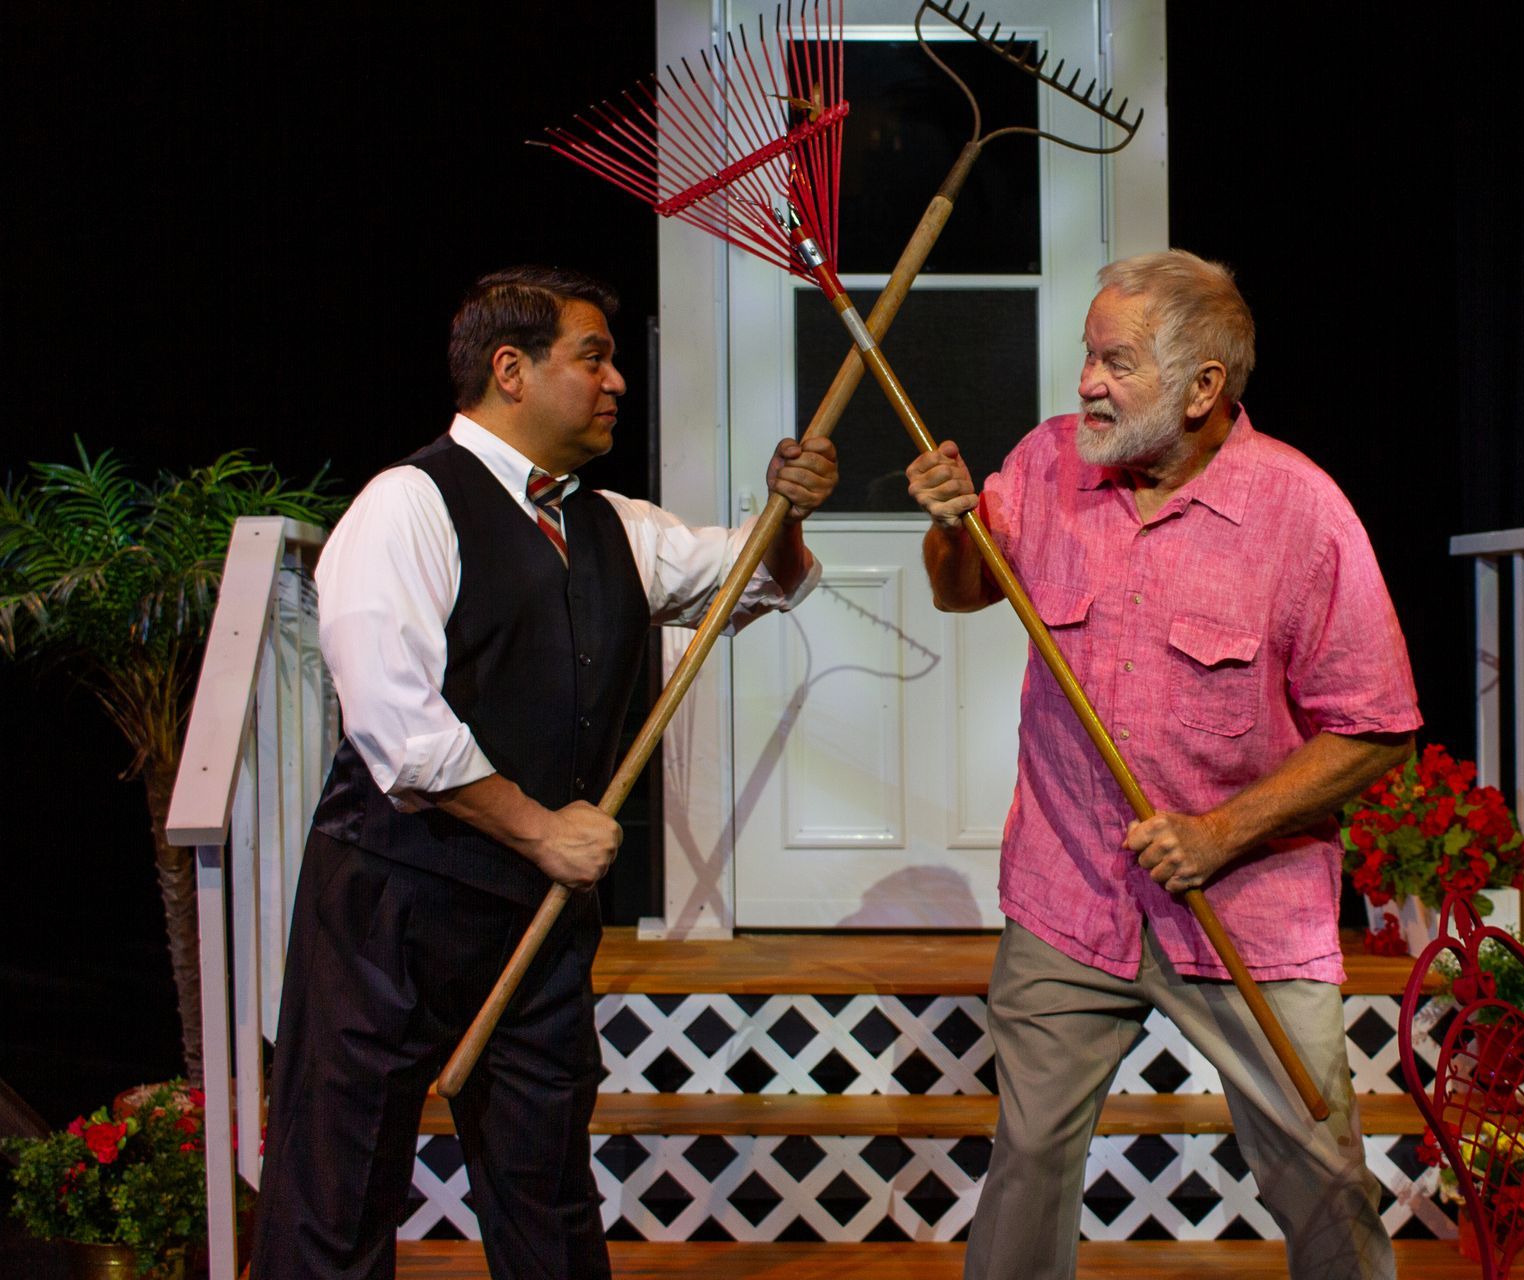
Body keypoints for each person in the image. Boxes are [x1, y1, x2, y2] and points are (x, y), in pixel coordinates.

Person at [252, 265, 838, 1279]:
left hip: (534, 914)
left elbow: (746, 577)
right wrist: (541, 828)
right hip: (395, 900)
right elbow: (400, 724)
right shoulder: (408, 503)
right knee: (339, 1191)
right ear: (509, 369)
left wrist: (788, 510)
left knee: (547, 1196)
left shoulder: (614, 524)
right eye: (594, 357)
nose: (616, 382)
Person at [905, 250, 1419, 1280]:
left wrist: (1221, 830)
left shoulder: (1302, 512)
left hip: (1245, 909)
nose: (1087, 382)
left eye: (1117, 362)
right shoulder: (1049, 462)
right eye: (1088, 356)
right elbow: (967, 590)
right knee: (1029, 1164)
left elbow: (1377, 726)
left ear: (1203, 387)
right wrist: (951, 527)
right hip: (1069, 895)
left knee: (1320, 1172)